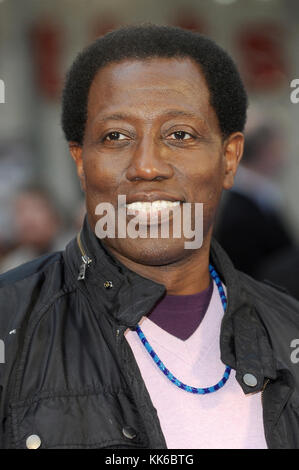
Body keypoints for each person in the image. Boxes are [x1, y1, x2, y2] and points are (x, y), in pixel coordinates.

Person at [0, 24, 299, 450]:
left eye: (180, 135)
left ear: (229, 159)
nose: (146, 166)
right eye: (116, 136)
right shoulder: (10, 325)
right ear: (81, 163)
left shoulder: (288, 328)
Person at [214, 123, 294, 279]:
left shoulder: (261, 198)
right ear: (265, 151)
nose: (283, 158)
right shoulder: (242, 211)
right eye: (278, 149)